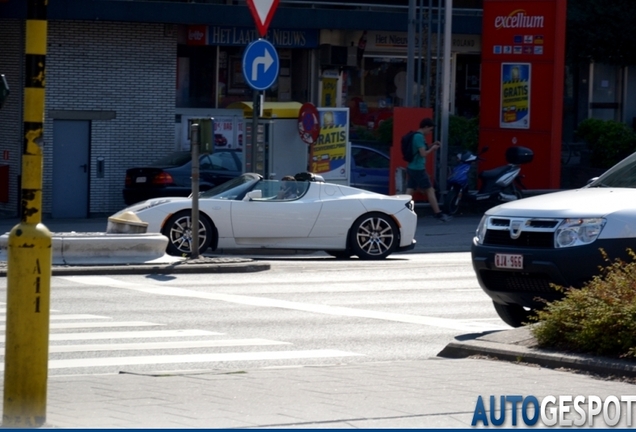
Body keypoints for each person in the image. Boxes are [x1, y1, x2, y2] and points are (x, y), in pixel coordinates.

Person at [405, 118, 452, 222]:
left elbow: (420, 150)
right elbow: (423, 153)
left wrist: (431, 145)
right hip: (418, 168)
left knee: (410, 190)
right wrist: (433, 149)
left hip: (412, 167)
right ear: (425, 127)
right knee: (430, 190)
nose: (430, 132)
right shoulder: (419, 137)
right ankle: (438, 213)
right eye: (430, 130)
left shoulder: (416, 135)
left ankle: (401, 210)